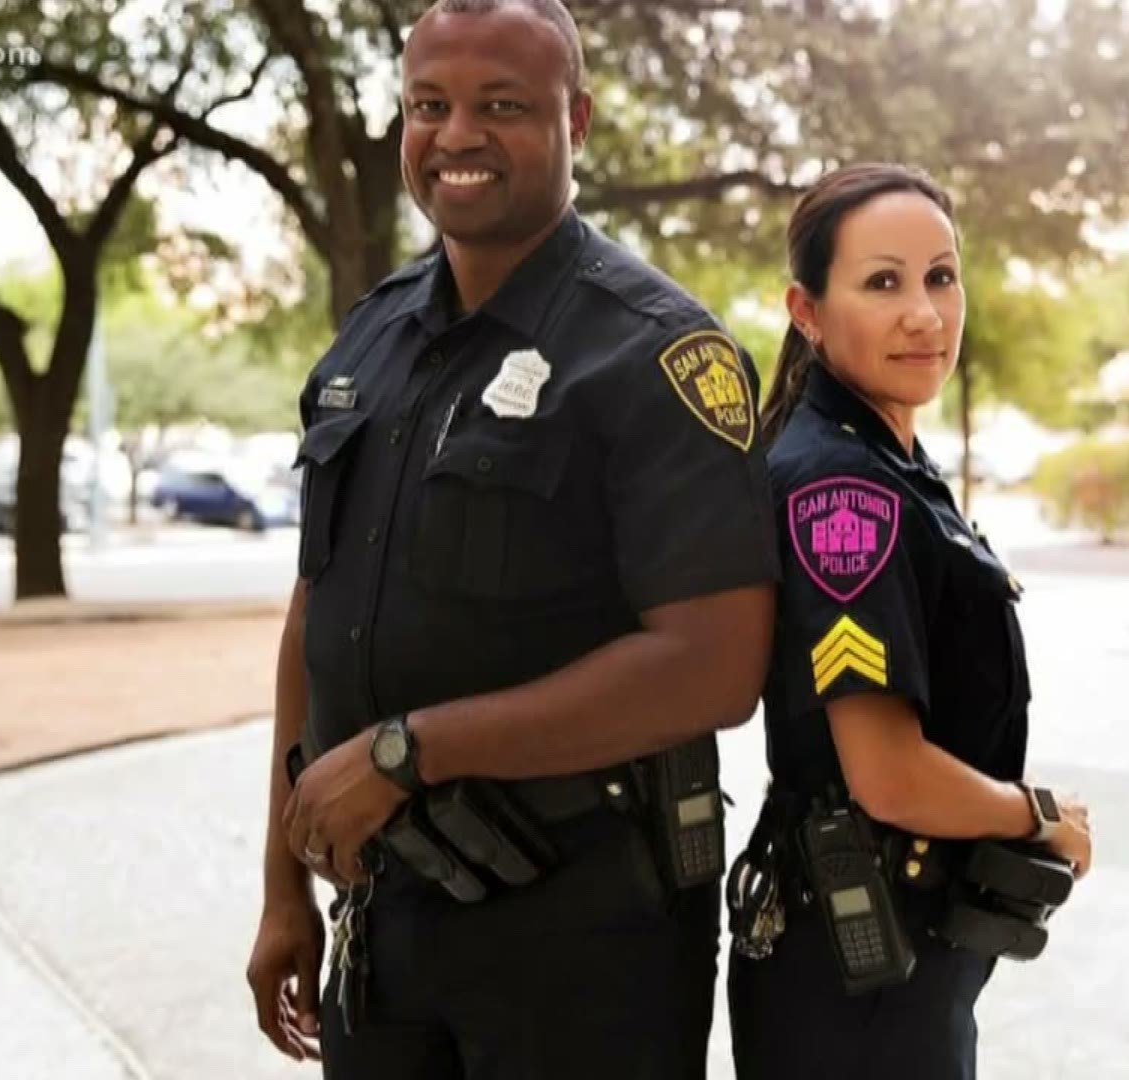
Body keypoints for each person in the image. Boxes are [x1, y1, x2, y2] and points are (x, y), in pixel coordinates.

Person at [242, 2, 779, 1077]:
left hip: (585, 941)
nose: (456, 136)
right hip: (384, 922)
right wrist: (280, 887)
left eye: (502, 106)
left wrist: (409, 751)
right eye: (428, 106)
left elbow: (715, 669)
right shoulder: (370, 340)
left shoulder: (656, 354)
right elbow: (320, 612)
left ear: (576, 119)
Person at [725, 164, 1094, 1080]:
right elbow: (885, 774)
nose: (925, 313)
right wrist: (1037, 815)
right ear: (805, 311)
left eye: (941, 275)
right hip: (860, 974)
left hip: (883, 949)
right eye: (882, 282)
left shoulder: (888, 458)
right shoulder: (840, 487)